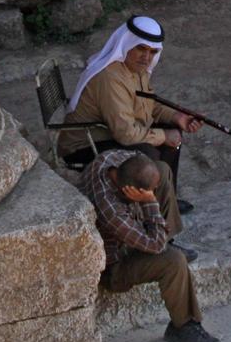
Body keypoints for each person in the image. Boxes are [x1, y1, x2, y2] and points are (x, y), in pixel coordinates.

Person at [59, 15, 203, 217]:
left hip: (107, 132)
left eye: (153, 52)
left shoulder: (137, 69)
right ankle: (150, 212)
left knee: (173, 134)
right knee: (148, 155)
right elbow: (125, 134)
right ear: (127, 44)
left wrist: (176, 117)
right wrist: (163, 136)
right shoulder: (110, 78)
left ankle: (166, 197)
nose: (147, 57)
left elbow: (148, 104)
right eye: (141, 49)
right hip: (83, 146)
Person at [81, 148, 220, 342]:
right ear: (130, 191)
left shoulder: (110, 160)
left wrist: (147, 197)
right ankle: (183, 326)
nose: (154, 193)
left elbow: (141, 159)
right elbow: (155, 246)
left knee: (161, 170)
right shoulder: (111, 210)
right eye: (147, 192)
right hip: (116, 264)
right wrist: (150, 202)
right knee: (173, 260)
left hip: (132, 235)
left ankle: (168, 237)